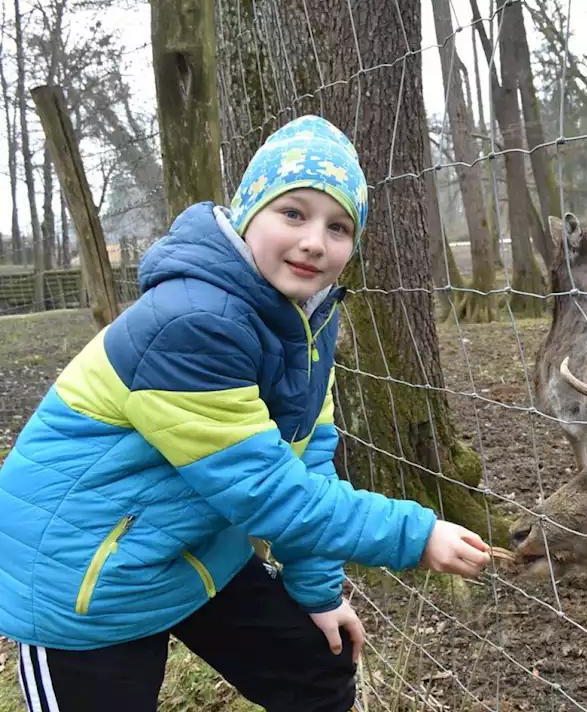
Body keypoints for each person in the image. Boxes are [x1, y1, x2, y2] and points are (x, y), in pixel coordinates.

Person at [0, 114, 491, 711]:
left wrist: (318, 593)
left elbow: (309, 457)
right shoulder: (191, 323)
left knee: (316, 667)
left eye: (338, 226)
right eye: (293, 213)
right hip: (84, 580)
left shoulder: (307, 319)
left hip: (191, 549)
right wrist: (416, 534)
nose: (315, 240)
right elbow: (265, 492)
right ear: (246, 213)